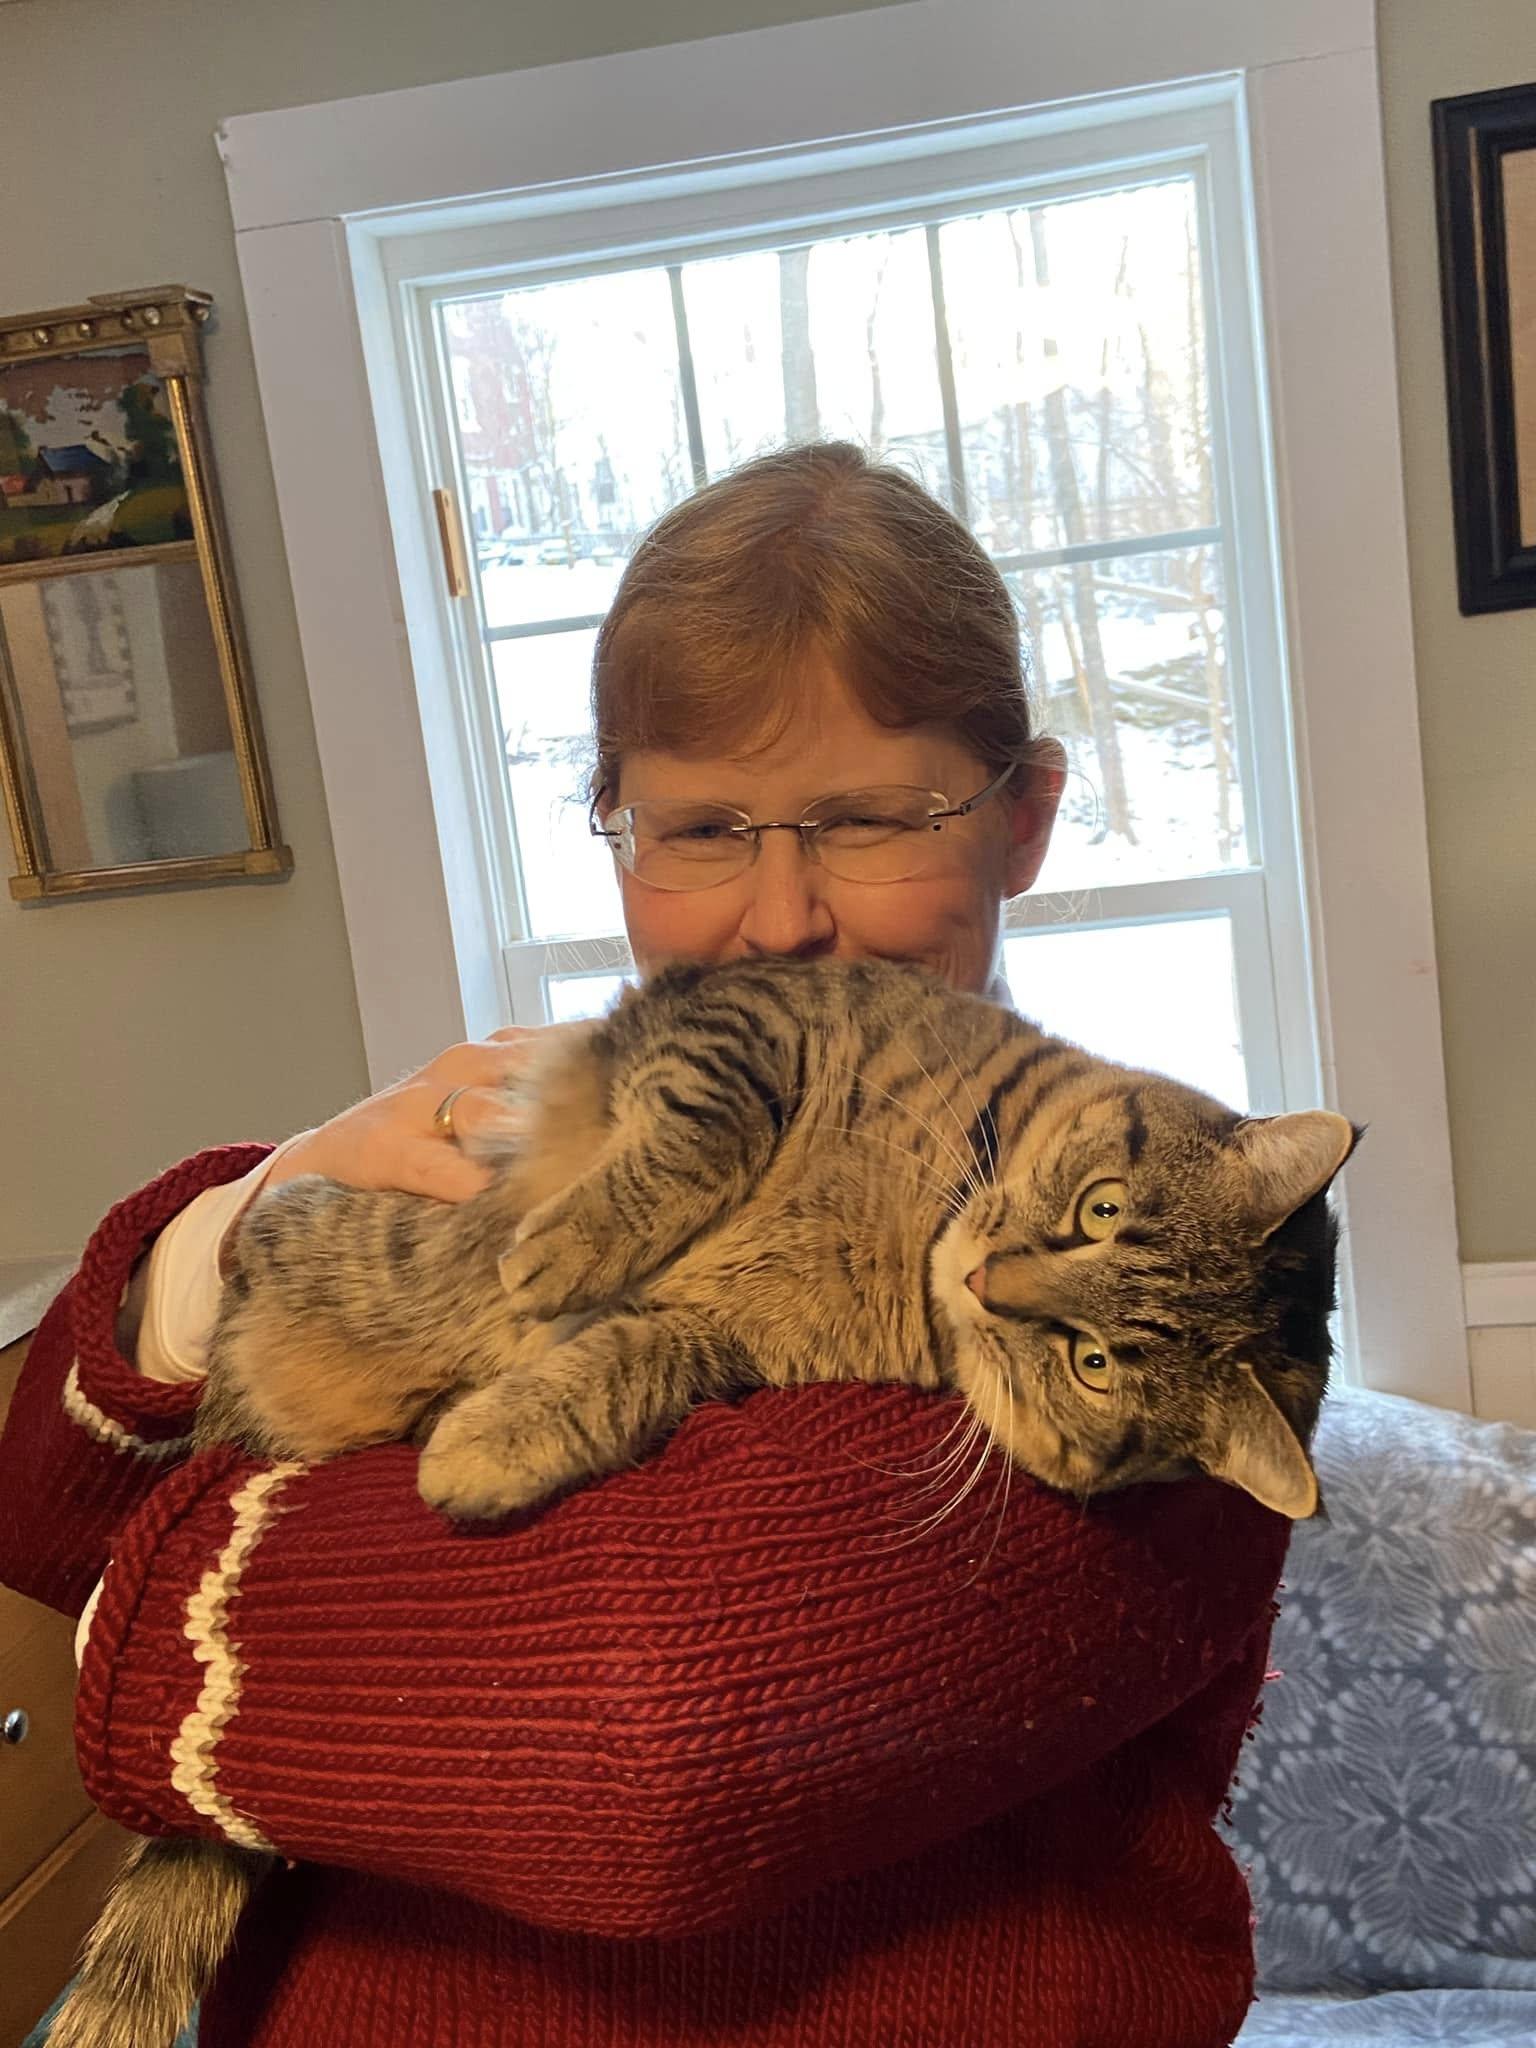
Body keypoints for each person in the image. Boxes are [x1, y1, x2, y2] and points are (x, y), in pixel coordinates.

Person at [0, 443, 1290, 2048]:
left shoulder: (1166, 1283)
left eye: (869, 818)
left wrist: (164, 1606)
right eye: (701, 829)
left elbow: (646, 1749)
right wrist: (246, 1218)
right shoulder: (592, 1109)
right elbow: (45, 1519)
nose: (779, 917)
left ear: (1021, 819)